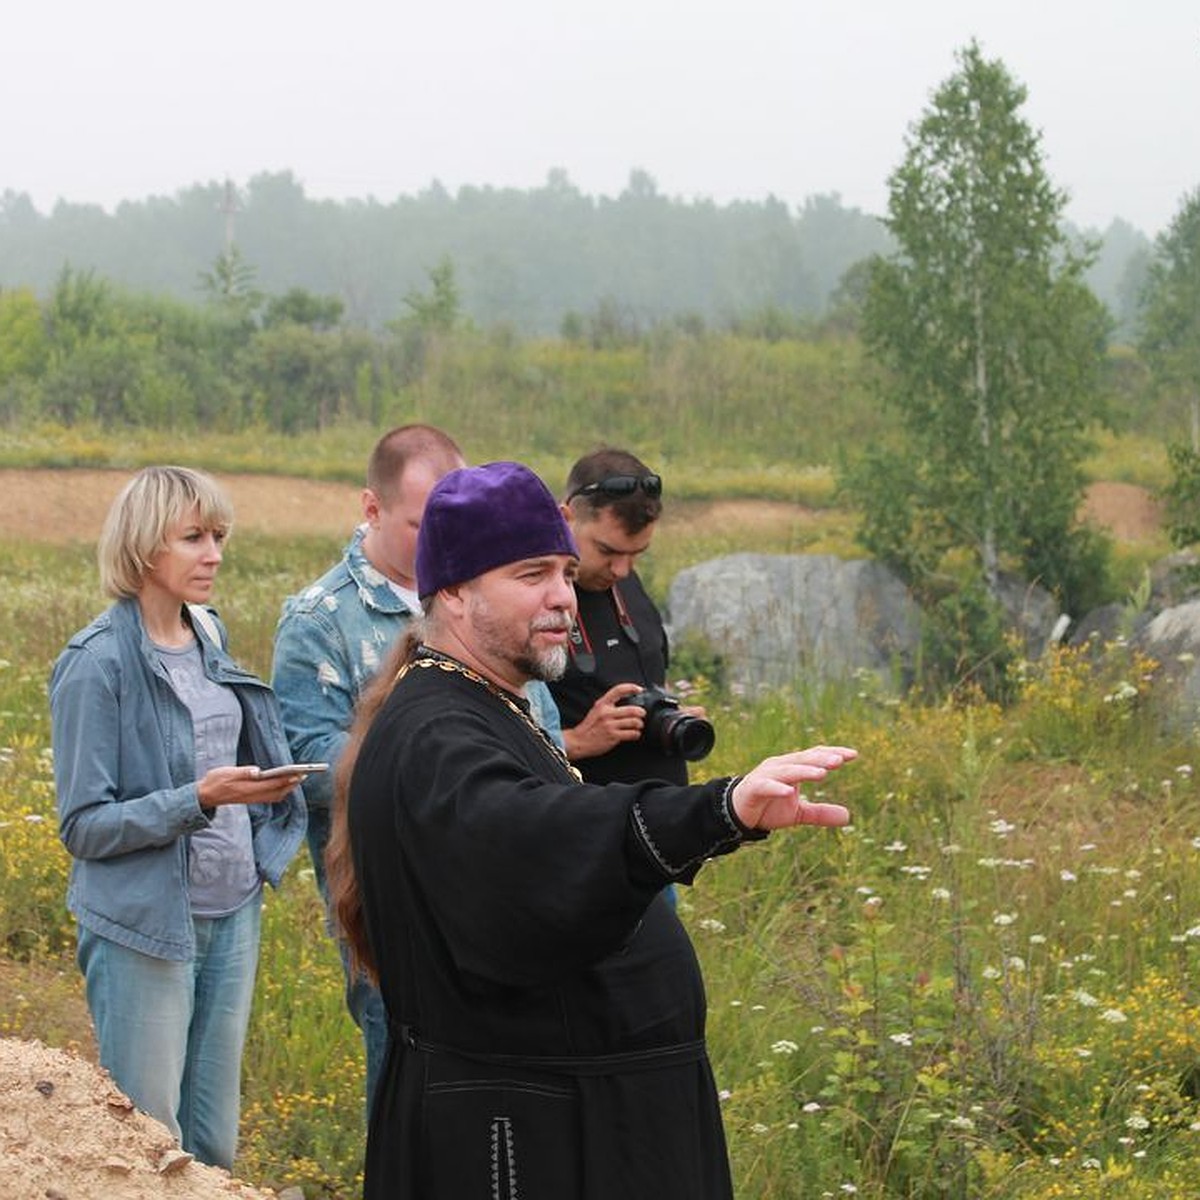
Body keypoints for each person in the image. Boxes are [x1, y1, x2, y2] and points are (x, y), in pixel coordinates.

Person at [326, 461, 856, 1200]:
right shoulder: (436, 732)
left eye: (566, 572)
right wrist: (716, 811)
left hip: (567, 1114)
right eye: (532, 573)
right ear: (452, 588)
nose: (561, 598)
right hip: (517, 1135)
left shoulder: (482, 702)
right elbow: (536, 839)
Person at [270, 424, 562, 1113]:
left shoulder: (493, 598)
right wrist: (446, 783)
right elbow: (312, 763)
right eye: (421, 522)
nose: (440, 538)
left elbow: (540, 733)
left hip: (505, 896)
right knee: (409, 1090)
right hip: (393, 905)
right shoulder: (322, 621)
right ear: (370, 509)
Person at [49, 466, 307, 1170]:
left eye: (219, 536)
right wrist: (199, 799)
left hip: (234, 911)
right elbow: (84, 827)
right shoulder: (95, 664)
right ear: (142, 547)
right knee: (149, 1147)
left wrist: (260, 801)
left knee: (215, 1145)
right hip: (146, 927)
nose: (214, 553)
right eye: (193, 537)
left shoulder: (211, 635)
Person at [549, 448, 700, 904]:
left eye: (638, 554)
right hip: (581, 846)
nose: (622, 570)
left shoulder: (623, 580)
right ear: (566, 516)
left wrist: (668, 712)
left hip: (653, 835)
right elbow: (488, 728)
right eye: (608, 551)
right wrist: (577, 740)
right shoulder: (533, 597)